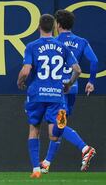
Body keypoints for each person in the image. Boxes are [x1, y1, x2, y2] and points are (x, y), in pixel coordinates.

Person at [17, 14, 81, 178]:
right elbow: (77, 69)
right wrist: (68, 83)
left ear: (39, 27)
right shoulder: (63, 47)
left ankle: (36, 170)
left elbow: (26, 70)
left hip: (37, 94)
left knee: (34, 129)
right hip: (56, 94)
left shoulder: (32, 46)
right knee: (54, 134)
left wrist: (20, 81)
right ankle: (61, 122)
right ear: (54, 27)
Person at [40, 10, 98, 173]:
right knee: (60, 123)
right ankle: (47, 162)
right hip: (73, 88)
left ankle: (85, 148)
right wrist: (91, 82)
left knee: (57, 124)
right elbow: (94, 61)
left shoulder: (54, 42)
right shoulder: (81, 41)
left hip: (57, 90)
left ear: (57, 24)